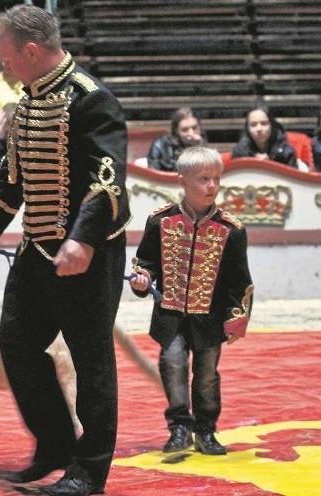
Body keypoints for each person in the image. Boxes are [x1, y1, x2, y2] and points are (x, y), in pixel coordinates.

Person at [0, 5, 131, 496]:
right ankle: (54, 445)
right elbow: (12, 177)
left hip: (89, 254)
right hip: (37, 248)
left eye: (6, 55)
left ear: (30, 51)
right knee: (16, 343)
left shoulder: (92, 101)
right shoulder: (28, 99)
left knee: (91, 359)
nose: (3, 64)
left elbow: (109, 180)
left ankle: (89, 471)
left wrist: (83, 238)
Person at [129, 146, 254, 457]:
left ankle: (206, 429)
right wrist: (142, 280)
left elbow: (240, 280)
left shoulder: (232, 230)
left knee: (207, 374)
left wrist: (237, 318)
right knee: (172, 364)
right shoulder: (159, 221)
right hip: (169, 315)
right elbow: (145, 263)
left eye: (216, 179)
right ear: (182, 181)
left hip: (210, 318)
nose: (212, 186)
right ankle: (179, 425)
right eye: (203, 179)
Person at [231, 105, 297, 168]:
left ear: (272, 125)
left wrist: (270, 163)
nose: (259, 129)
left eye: (264, 123)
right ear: (247, 128)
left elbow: (293, 178)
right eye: (253, 124)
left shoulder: (286, 152)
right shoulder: (239, 151)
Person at [147, 107, 207, 171]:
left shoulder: (200, 142)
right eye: (185, 130)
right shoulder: (159, 145)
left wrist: (200, 149)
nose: (191, 133)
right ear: (176, 131)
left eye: (194, 128)